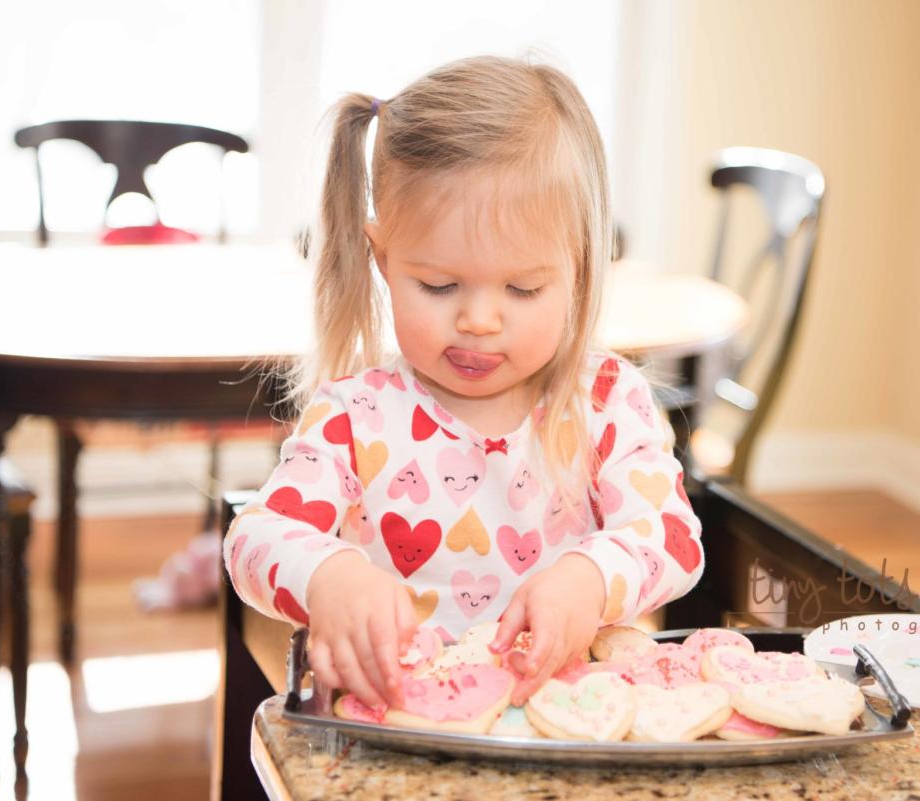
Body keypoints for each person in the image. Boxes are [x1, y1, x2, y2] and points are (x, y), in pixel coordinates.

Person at [224, 54, 704, 710]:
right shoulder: (355, 417)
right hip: (398, 722)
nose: (479, 319)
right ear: (383, 259)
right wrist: (329, 575)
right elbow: (254, 538)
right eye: (440, 285)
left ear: (581, 267)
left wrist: (591, 576)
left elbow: (671, 536)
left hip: (562, 725)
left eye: (524, 287)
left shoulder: (606, 402)